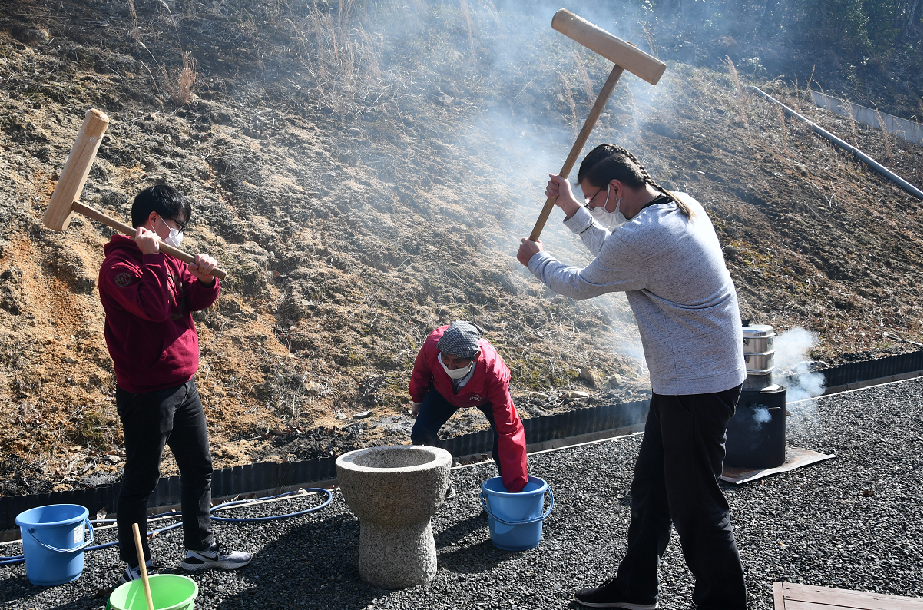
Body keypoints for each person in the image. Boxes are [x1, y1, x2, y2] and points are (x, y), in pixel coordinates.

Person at [516, 144, 748, 610]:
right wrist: (572, 207)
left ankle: (725, 604)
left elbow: (583, 282)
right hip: (690, 377)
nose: (599, 207)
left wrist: (535, 260)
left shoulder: (644, 236)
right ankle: (636, 587)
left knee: (696, 506)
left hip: (697, 383)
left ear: (616, 188)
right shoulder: (678, 203)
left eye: (597, 198)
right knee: (650, 487)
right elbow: (618, 252)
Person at [98, 184, 251, 584]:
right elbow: (152, 308)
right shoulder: (118, 267)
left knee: (198, 466)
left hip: (183, 383)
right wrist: (150, 258)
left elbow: (190, 301)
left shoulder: (167, 257)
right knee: (142, 481)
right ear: (153, 221)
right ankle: (137, 565)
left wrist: (202, 280)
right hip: (146, 391)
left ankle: (199, 548)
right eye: (176, 225)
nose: (180, 233)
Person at [409, 320, 529, 493]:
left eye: (457, 361)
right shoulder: (432, 346)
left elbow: (509, 432)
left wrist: (516, 489)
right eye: (446, 358)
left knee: (503, 440)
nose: (450, 366)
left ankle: (508, 491)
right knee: (421, 433)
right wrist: (418, 399)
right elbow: (421, 373)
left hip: (485, 395)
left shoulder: (494, 374)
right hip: (444, 391)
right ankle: (437, 484)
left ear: (474, 357)